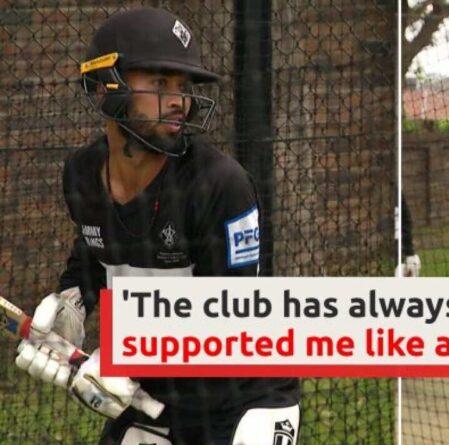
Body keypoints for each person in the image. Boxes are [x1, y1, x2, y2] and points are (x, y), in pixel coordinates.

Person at [14, 8, 300, 445]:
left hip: (247, 397)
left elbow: (230, 314)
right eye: (160, 84)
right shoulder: (82, 174)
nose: (179, 101)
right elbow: (94, 253)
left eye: (183, 87)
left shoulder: (219, 184)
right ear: (105, 86)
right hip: (156, 397)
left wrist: (121, 357)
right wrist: (71, 305)